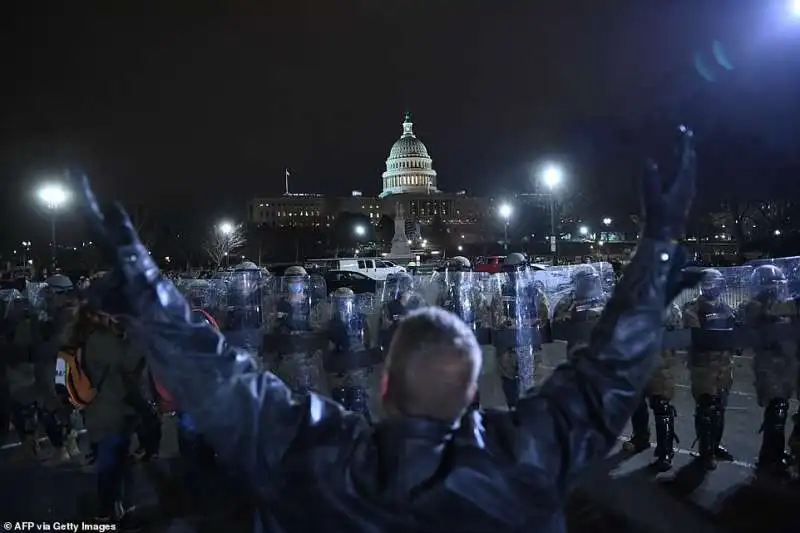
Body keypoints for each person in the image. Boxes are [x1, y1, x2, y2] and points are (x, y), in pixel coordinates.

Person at [74, 125, 700, 532]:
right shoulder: (527, 459)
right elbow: (607, 375)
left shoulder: (322, 462)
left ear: (383, 390)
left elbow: (221, 380)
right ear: (473, 391)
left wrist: (147, 287)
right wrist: (659, 248)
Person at [738, 264, 797, 474]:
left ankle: (774, 453)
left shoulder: (782, 304)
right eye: (770, 283)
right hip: (768, 364)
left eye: (777, 283)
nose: (774, 287)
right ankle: (771, 457)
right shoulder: (754, 306)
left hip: (786, 363)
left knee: (781, 409)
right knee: (777, 409)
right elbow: (763, 319)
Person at [681, 268, 737, 470]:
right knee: (706, 409)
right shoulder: (693, 309)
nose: (713, 287)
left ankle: (715, 445)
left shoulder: (726, 308)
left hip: (724, 364)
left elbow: (736, 333)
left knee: (720, 409)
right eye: (709, 283)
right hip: (704, 365)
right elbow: (696, 337)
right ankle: (706, 452)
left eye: (716, 283)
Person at [622, 302, 683, 471]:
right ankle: (640, 438)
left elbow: (677, 334)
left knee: (661, 406)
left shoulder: (669, 306)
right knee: (636, 402)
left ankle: (665, 452)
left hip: (659, 364)